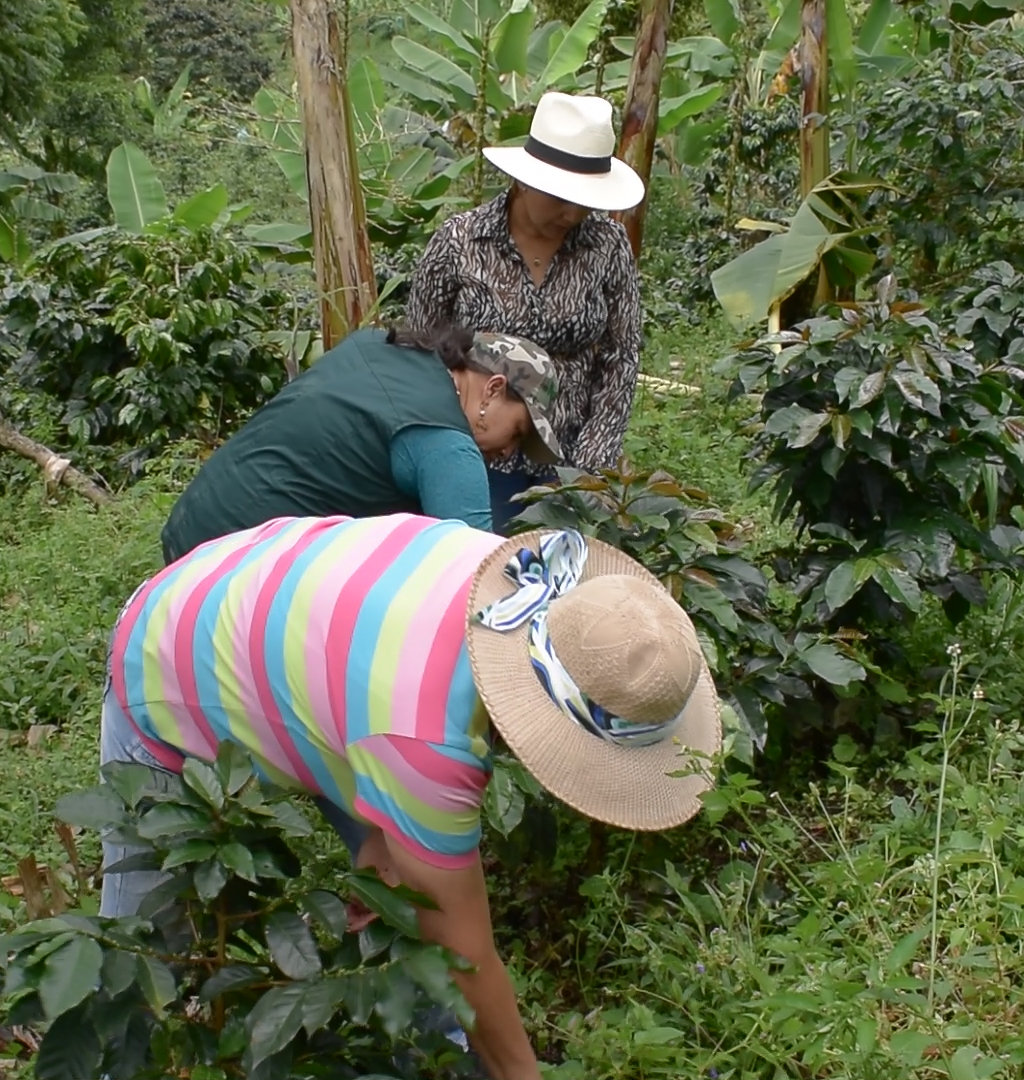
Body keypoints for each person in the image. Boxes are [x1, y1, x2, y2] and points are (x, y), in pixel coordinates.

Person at [97, 512, 722, 1080]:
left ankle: (433, 1053)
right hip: (171, 655)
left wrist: (383, 837)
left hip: (279, 602)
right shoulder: (424, 741)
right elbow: (465, 954)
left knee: (406, 890)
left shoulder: (512, 577)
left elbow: (362, 672)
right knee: (142, 958)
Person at [405, 91, 646, 531]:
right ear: (523, 180)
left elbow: (620, 359)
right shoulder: (460, 241)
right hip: (470, 460)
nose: (572, 212)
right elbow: (418, 349)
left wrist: (588, 471)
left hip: (570, 462)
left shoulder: (607, 247)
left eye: (585, 198)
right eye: (560, 197)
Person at [156, 324, 567, 564]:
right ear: (493, 390)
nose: (509, 454)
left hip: (191, 528)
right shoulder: (447, 447)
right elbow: (478, 579)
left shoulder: (377, 345)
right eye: (516, 434)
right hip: (237, 566)